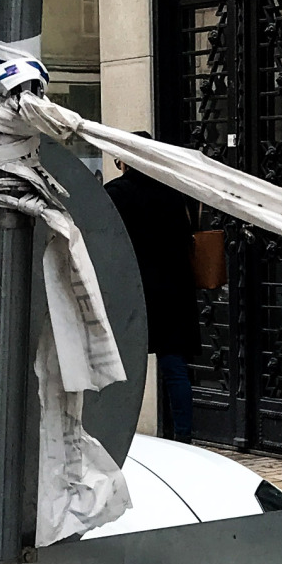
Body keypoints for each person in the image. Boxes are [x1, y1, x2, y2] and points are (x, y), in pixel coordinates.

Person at [105, 139, 199, 441]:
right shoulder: (174, 192)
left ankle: (118, 432)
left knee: (125, 367)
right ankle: (184, 436)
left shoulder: (117, 194)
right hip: (174, 288)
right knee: (174, 366)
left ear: (125, 161)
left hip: (135, 288)